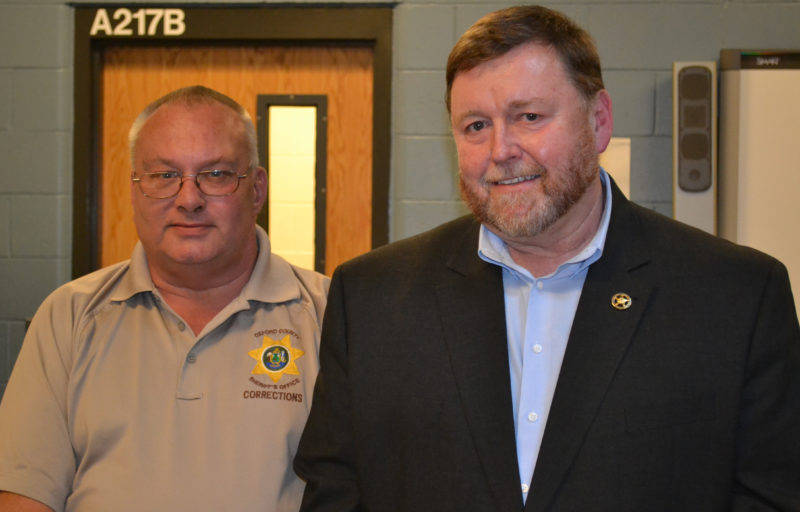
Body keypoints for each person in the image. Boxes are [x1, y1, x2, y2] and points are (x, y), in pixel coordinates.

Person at [294, 5, 800, 511]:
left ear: (598, 121)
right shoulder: (372, 298)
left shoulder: (737, 296)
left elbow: (770, 496)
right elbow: (336, 492)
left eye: (529, 117)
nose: (501, 150)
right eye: (474, 126)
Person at [0, 86, 329, 511]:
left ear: (257, 189)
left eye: (216, 174)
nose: (189, 199)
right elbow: (25, 494)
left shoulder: (330, 315)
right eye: (164, 176)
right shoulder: (68, 316)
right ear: (135, 189)